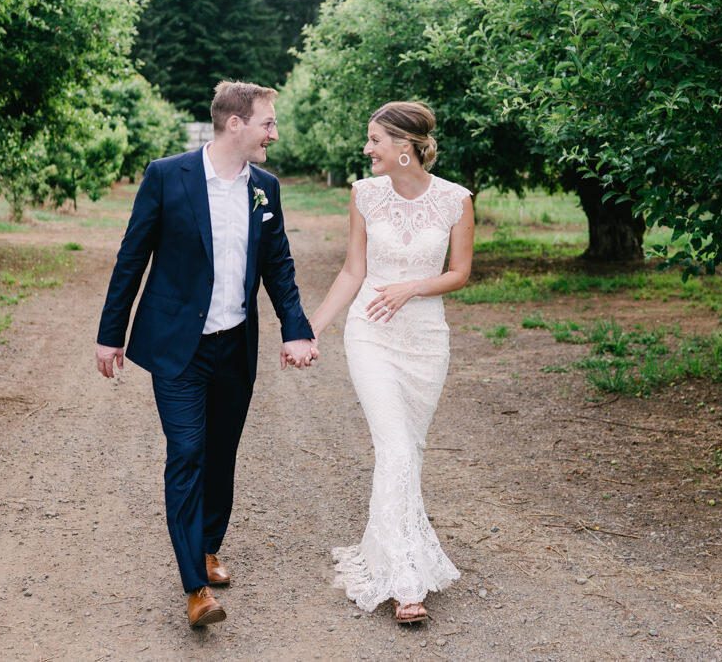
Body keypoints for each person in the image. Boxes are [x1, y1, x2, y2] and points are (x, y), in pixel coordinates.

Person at [95, 80, 318, 628]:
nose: (275, 132)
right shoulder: (167, 176)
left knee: (221, 455)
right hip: (178, 349)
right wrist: (111, 332)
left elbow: (279, 267)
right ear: (235, 124)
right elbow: (132, 257)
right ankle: (195, 586)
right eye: (268, 122)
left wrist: (297, 329)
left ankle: (209, 545)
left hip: (235, 345)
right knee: (188, 454)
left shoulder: (264, 187)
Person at [308, 101, 473, 624]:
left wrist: (413, 288)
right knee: (395, 447)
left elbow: (460, 272)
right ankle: (405, 584)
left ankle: (392, 550)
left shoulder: (456, 200)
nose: (367, 149)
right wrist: (308, 328)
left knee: (410, 451)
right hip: (371, 335)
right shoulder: (364, 195)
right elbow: (353, 271)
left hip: (426, 341)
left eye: (375, 140)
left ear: (405, 147)